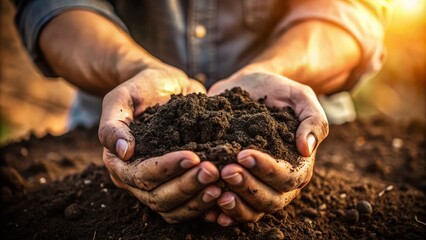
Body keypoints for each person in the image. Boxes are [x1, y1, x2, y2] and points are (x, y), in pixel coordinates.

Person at [14, 0, 389, 226]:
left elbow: (350, 12)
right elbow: (51, 6)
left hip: (311, 127)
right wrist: (132, 69)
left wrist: (279, 69)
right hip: (114, 123)